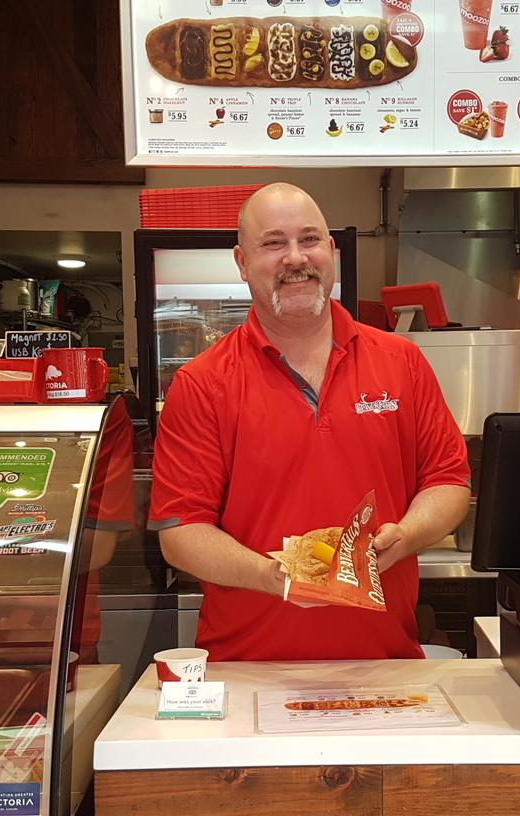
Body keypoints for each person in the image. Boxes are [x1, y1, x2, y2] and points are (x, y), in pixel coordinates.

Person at [150, 182, 471, 662]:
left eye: (310, 239)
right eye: (273, 243)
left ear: (332, 251)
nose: (295, 258)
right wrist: (274, 577)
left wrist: (406, 535)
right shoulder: (202, 383)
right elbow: (181, 534)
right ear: (241, 262)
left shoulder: (401, 361)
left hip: (385, 666)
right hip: (246, 670)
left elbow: (448, 482)